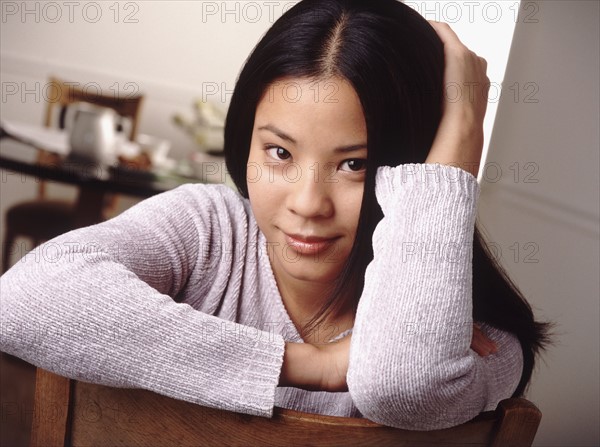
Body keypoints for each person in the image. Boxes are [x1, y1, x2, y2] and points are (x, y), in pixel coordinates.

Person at [0, 0, 549, 431]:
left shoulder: (474, 336)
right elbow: (20, 302)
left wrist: (459, 142)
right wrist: (314, 364)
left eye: (356, 163)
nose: (309, 203)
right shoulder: (209, 229)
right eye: (279, 153)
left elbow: (401, 386)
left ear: (421, 170)